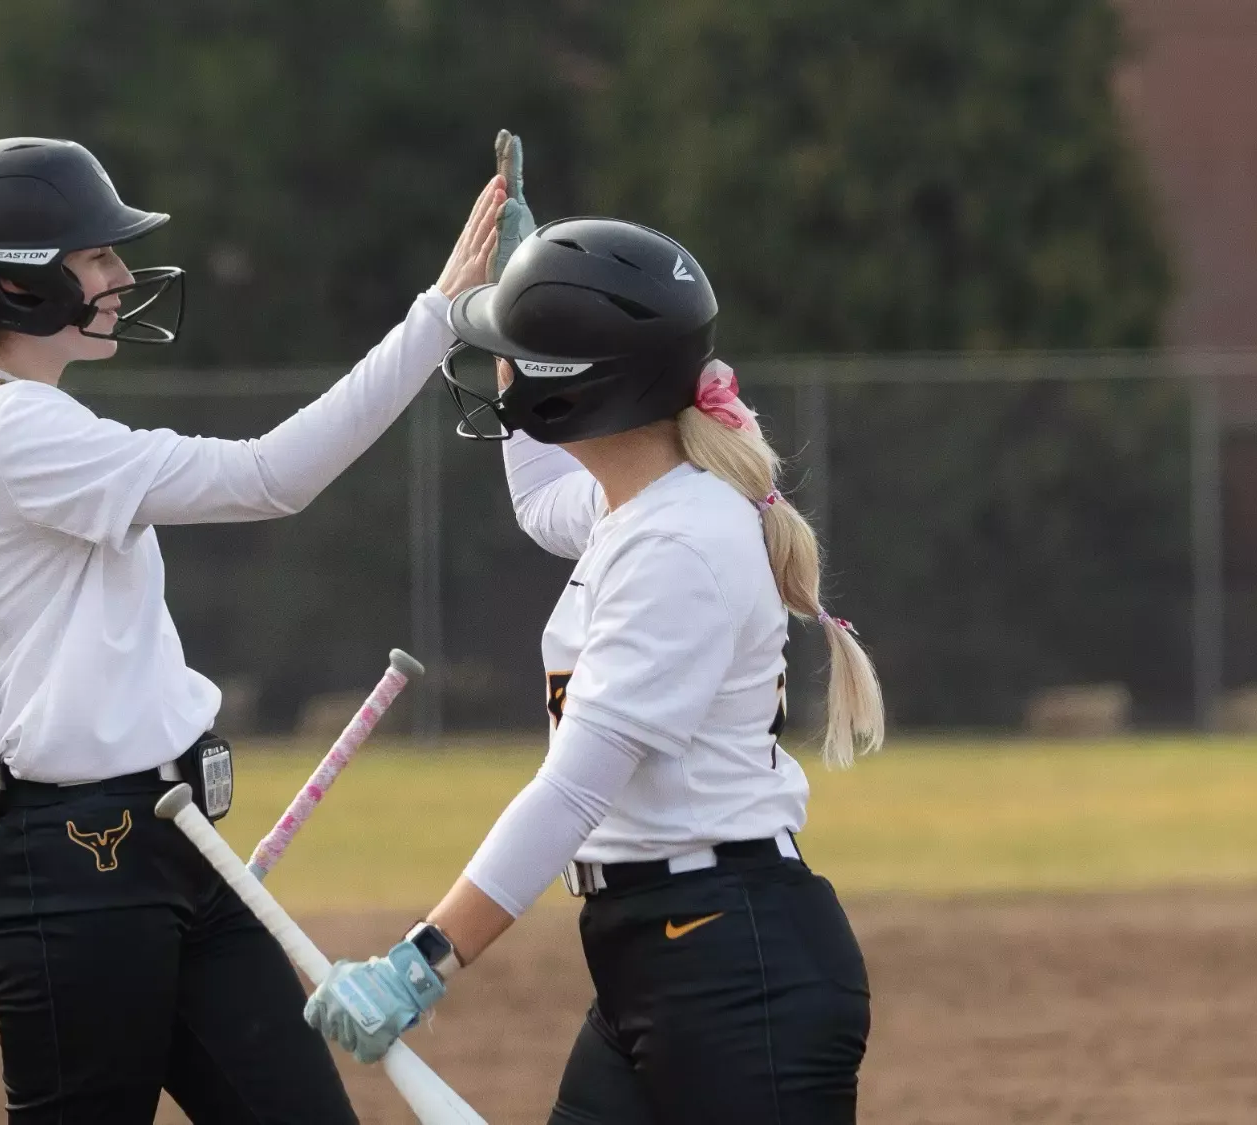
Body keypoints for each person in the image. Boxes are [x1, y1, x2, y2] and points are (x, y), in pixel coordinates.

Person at [0, 135, 503, 1124]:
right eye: (95, 255)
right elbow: (273, 478)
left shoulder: (17, 416)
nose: (120, 274)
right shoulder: (12, 430)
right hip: (75, 871)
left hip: (171, 848)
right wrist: (435, 320)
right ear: (13, 286)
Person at [301, 204, 886, 1122]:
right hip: (658, 957)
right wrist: (529, 292)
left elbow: (574, 791)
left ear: (571, 386)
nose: (497, 370)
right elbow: (542, 500)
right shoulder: (641, 503)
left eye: (516, 351)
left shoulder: (679, 543)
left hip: (736, 970)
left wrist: (420, 959)